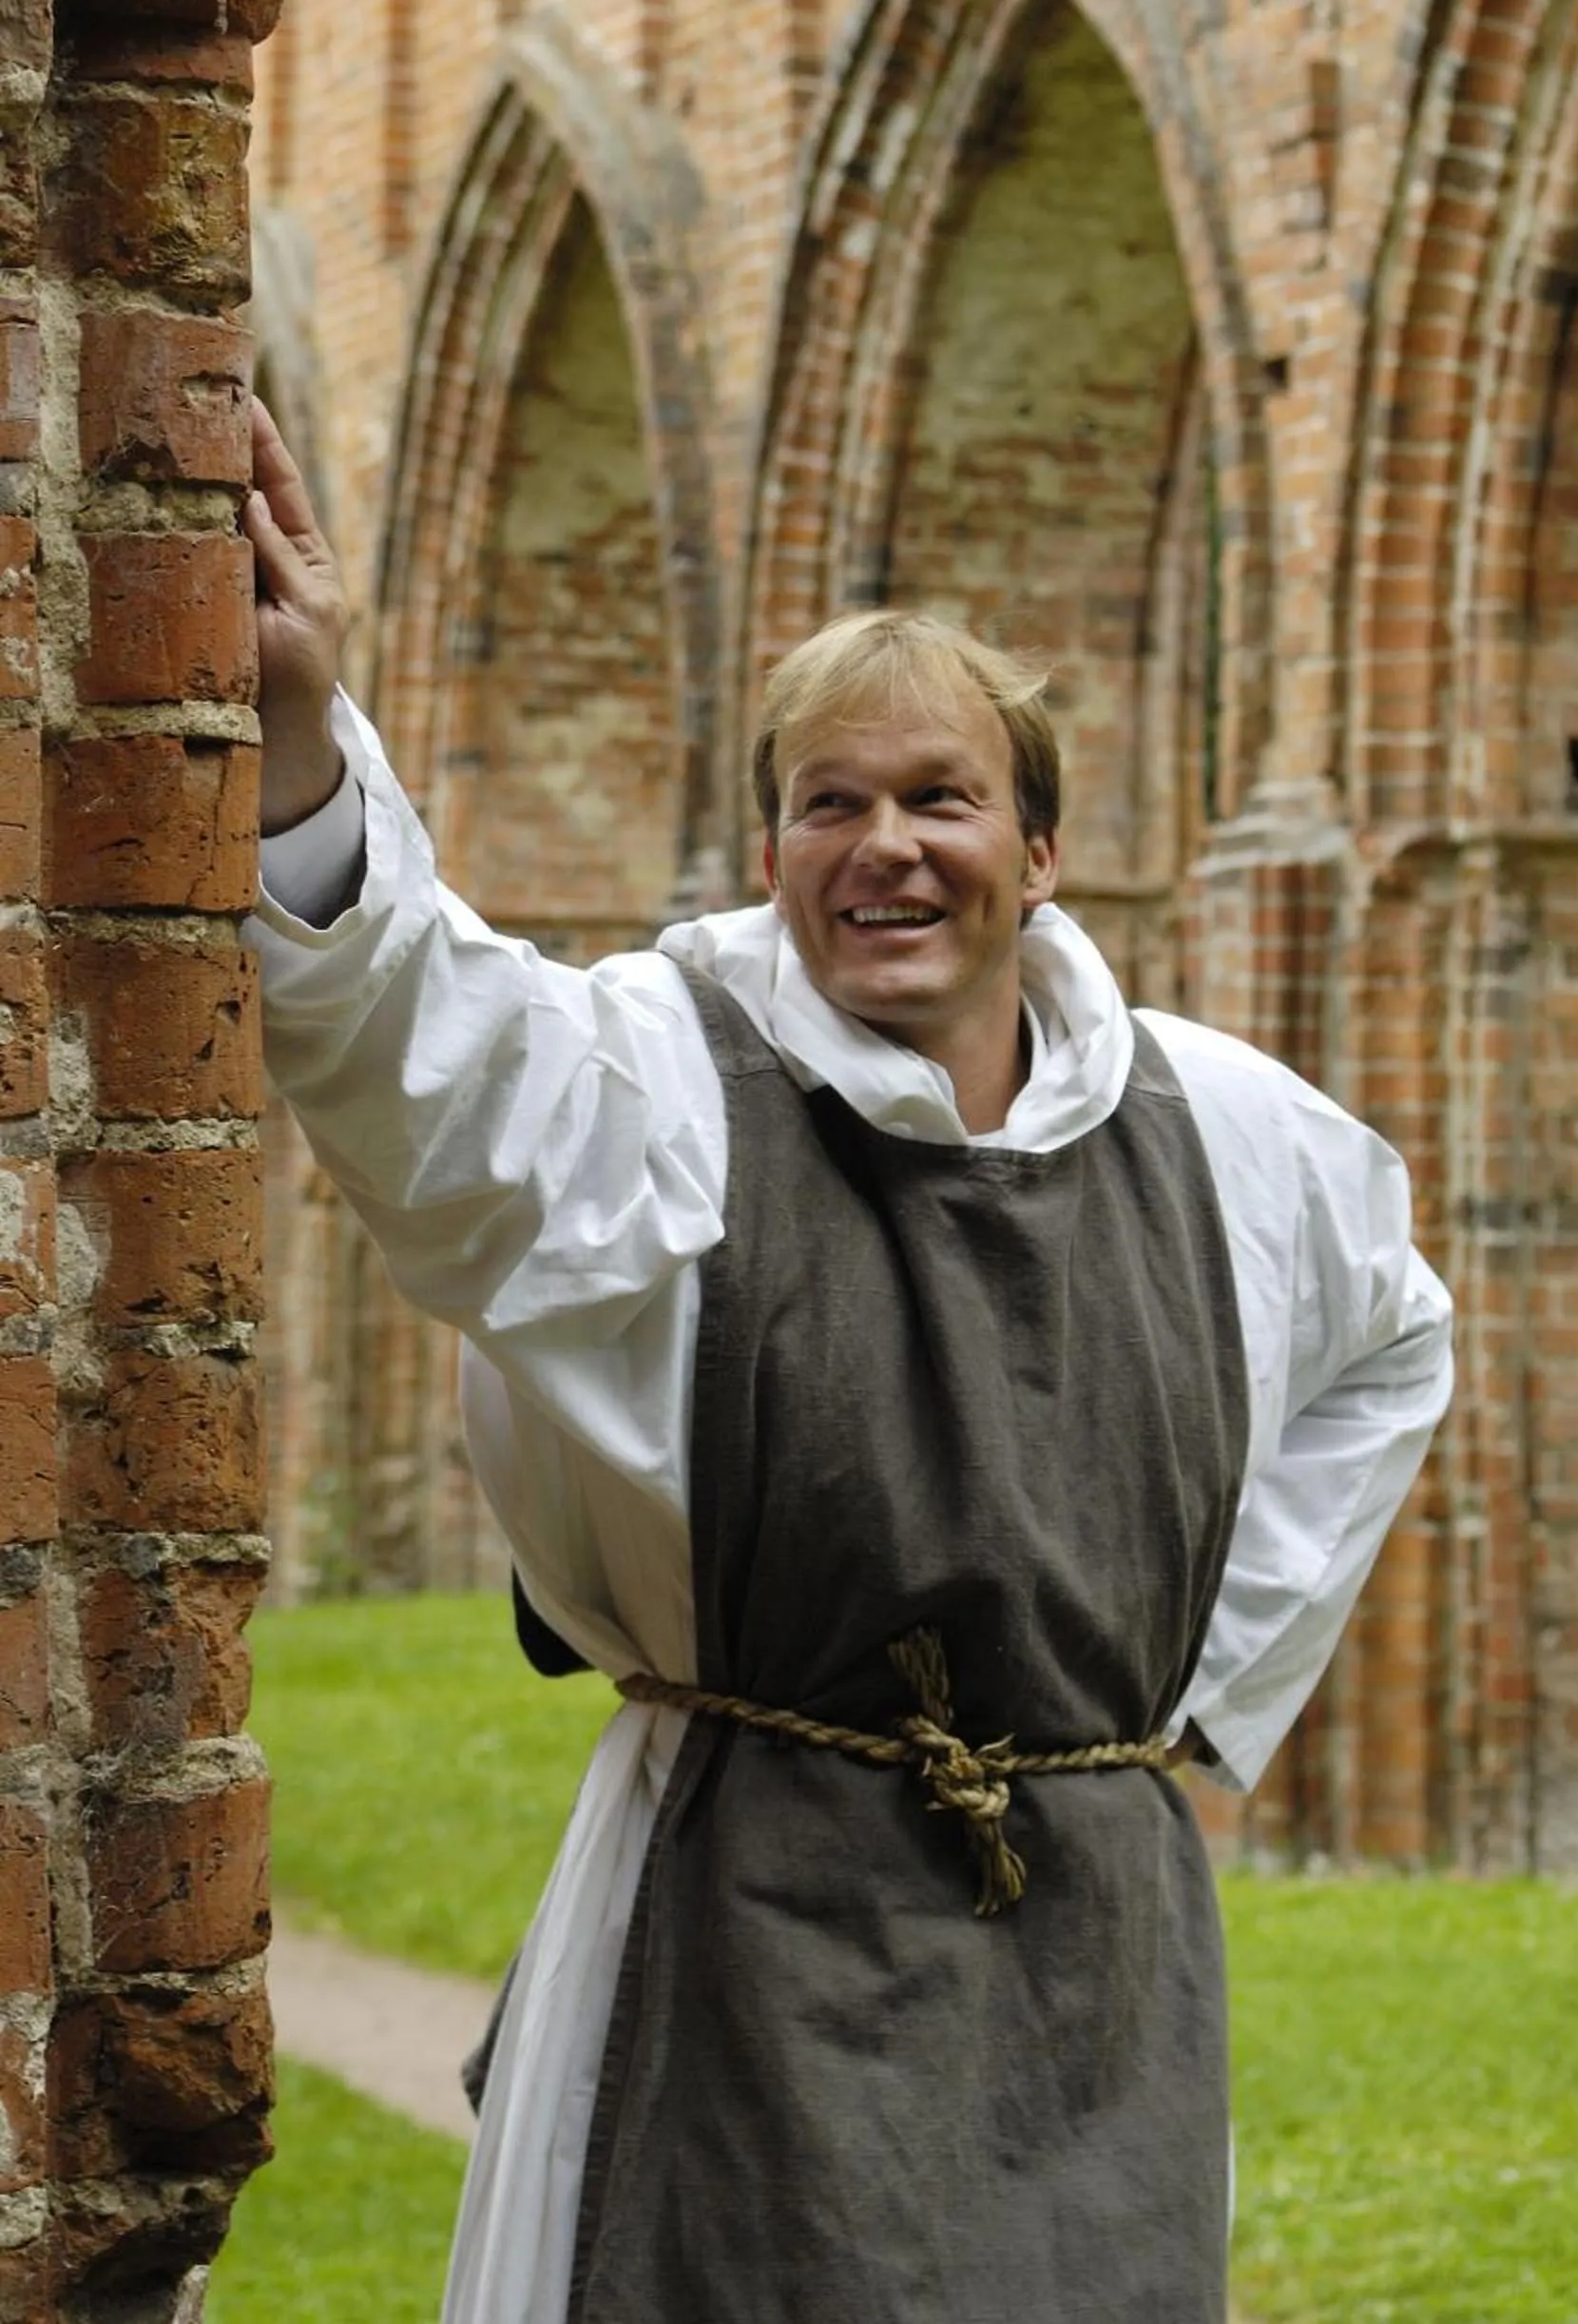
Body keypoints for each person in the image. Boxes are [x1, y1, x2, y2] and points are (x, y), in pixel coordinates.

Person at [245, 398, 1453, 2324]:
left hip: (1090, 1936)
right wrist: (301, 731)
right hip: (743, 1905)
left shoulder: (1230, 1140)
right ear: (771, 847)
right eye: (830, 803)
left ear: (1039, 849)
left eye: (939, 799)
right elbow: (422, 1052)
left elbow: (1396, 1335)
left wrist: (1195, 1701)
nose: (885, 849)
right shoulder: (661, 1080)